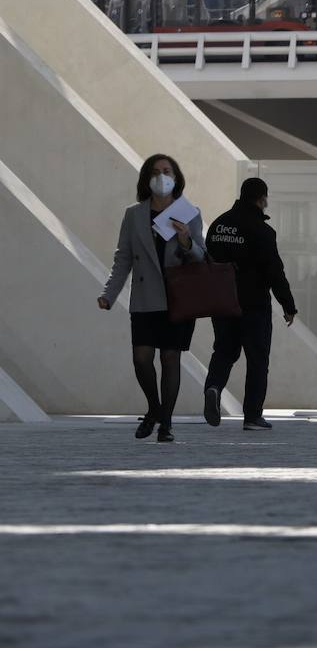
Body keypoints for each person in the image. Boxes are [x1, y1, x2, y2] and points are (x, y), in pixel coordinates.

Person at [97, 154, 206, 443]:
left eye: (167, 170)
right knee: (141, 358)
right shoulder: (134, 214)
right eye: (156, 171)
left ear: (176, 177)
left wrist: (185, 241)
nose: (161, 176)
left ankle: (166, 423)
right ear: (147, 178)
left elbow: (201, 256)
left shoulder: (189, 212)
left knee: (171, 359)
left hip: (178, 298)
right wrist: (109, 294)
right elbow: (122, 258)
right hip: (145, 298)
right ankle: (154, 409)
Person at [203, 178, 298, 431]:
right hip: (253, 304)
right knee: (257, 359)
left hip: (222, 302)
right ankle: (252, 416)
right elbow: (274, 271)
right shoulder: (262, 231)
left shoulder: (217, 226)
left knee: (224, 351)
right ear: (261, 198)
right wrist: (288, 305)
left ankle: (213, 387)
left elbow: (207, 260)